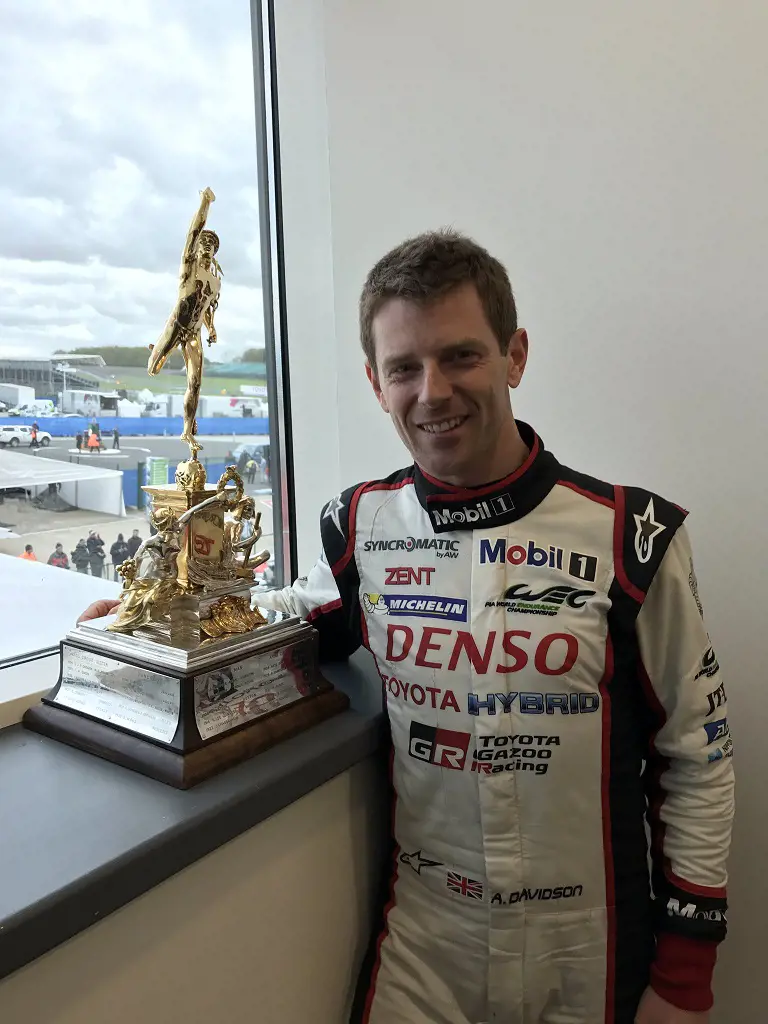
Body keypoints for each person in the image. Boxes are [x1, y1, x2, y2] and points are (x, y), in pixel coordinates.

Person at [76, 231, 733, 1024]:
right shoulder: (359, 526)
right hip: (426, 939)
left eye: (461, 357)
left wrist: (685, 975)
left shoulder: (634, 534)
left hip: (591, 943)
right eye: (404, 368)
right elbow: (293, 616)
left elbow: (696, 760)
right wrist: (156, 621)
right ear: (374, 382)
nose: (433, 392)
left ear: (514, 356)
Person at [147, 187, 221, 454]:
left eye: (212, 245)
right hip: (176, 324)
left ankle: (187, 431)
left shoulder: (214, 280)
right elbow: (192, 232)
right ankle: (156, 351)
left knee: (195, 383)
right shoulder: (189, 267)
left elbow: (209, 307)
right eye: (205, 242)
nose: (208, 247)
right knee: (153, 368)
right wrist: (205, 202)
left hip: (194, 333)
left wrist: (212, 329)